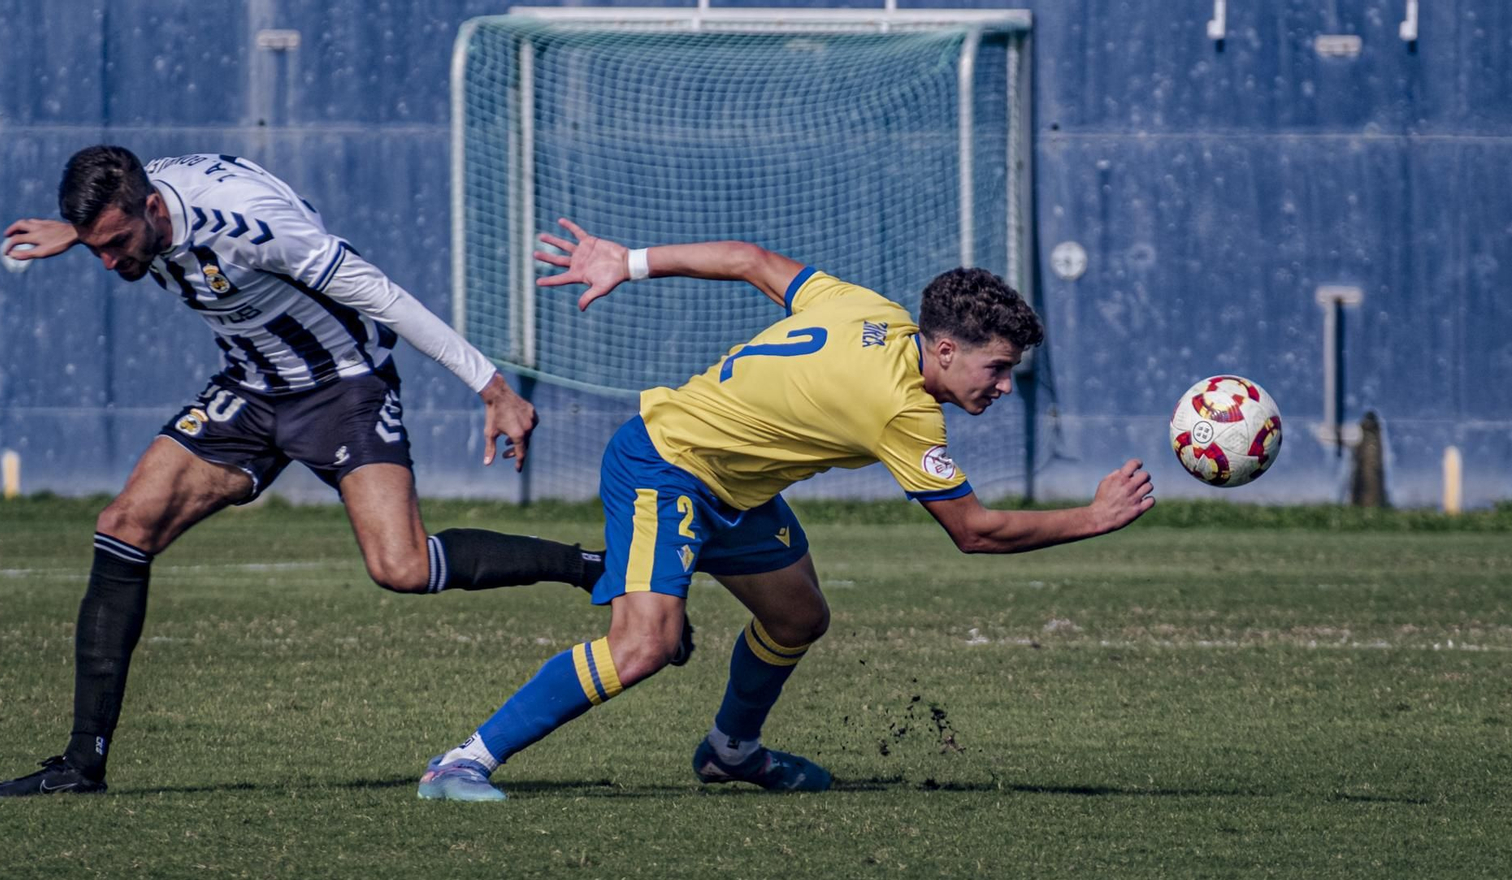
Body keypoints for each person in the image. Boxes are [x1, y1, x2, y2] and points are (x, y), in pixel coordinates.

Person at [0, 149, 660, 796]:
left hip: (342, 389)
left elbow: (384, 296)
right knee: (123, 526)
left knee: (402, 567)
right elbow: (112, 225)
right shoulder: (133, 202)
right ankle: (81, 762)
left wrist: (493, 388)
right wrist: (74, 234)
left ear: (153, 209)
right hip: (250, 388)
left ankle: (590, 568)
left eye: (115, 243)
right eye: (93, 245)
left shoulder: (256, 229)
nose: (108, 262)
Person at [415, 219, 1156, 801]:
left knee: (798, 618)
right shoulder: (902, 411)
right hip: (665, 465)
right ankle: (461, 762)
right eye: (995, 369)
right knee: (645, 645)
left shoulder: (869, 309)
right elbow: (975, 531)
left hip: (736, 491)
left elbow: (748, 259)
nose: (1002, 387)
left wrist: (629, 261)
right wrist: (1092, 518)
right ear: (943, 349)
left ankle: (731, 751)